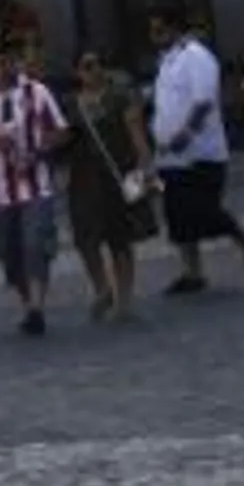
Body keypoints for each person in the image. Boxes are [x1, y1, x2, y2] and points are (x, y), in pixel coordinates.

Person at [147, 6, 244, 295]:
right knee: (177, 215)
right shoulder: (166, 61)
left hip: (199, 152)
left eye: (158, 30)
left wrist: (186, 133)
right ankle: (193, 272)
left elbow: (203, 101)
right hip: (169, 155)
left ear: (174, 28)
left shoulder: (196, 57)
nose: (153, 36)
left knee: (203, 211)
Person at [0, 33, 69, 336]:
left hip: (36, 183)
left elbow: (61, 131)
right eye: (1, 61)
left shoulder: (37, 92)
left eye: (12, 61)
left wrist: (40, 149)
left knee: (35, 243)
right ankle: (27, 300)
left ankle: (36, 308)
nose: (7, 67)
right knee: (7, 250)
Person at [63, 50, 158, 321]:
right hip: (84, 177)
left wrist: (147, 170)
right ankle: (102, 288)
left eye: (98, 65)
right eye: (87, 66)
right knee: (85, 238)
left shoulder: (120, 97)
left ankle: (124, 300)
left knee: (121, 236)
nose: (94, 71)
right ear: (76, 72)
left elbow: (137, 135)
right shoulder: (71, 104)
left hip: (121, 172)